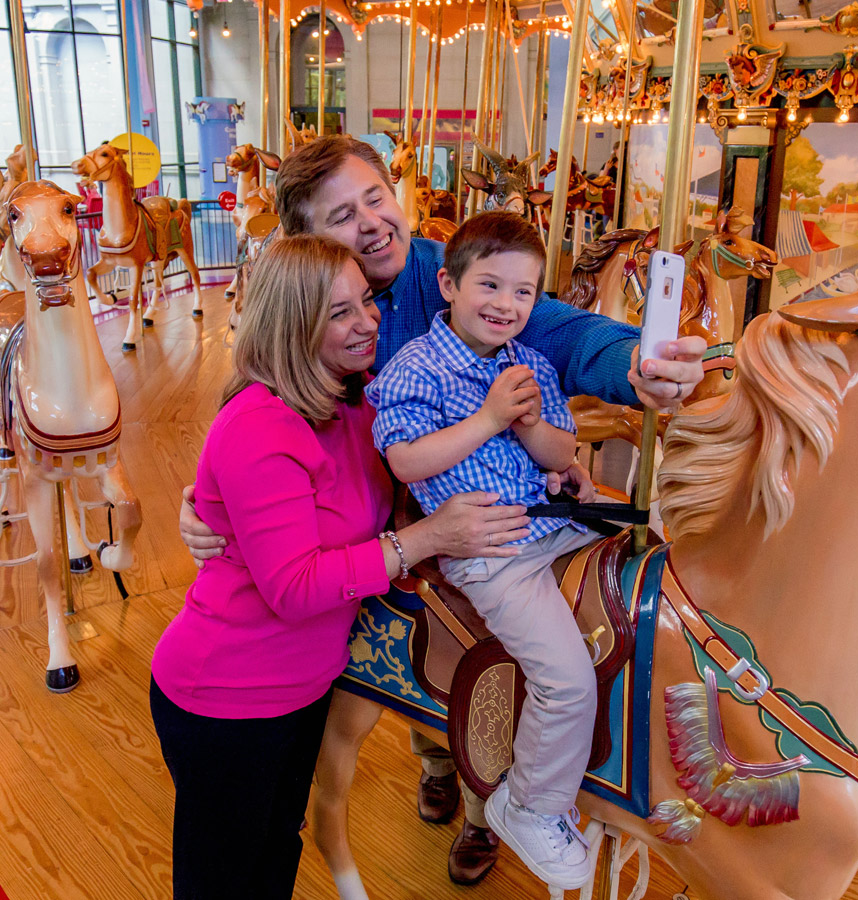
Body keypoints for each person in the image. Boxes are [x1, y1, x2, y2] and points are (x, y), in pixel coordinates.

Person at [178, 135, 705, 884]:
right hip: (383, 554)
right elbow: (259, 420)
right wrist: (206, 502)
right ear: (308, 251)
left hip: (458, 523)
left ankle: (512, 790)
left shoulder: (451, 270)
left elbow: (559, 327)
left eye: (374, 199)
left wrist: (634, 365)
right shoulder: (306, 356)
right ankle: (458, 770)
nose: (369, 224)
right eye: (340, 218)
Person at [151, 234, 531, 899]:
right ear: (293, 325)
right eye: (339, 312)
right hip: (229, 694)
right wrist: (425, 539)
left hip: (303, 687)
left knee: (276, 850)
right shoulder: (260, 428)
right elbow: (296, 587)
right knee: (224, 879)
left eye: (367, 300)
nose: (369, 321)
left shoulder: (358, 403)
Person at [368, 210, 600, 889]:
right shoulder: (417, 367)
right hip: (492, 552)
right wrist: (489, 418)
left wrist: (530, 425)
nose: (506, 305)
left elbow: (563, 449)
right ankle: (529, 805)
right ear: (448, 284)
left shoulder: (529, 363)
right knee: (564, 678)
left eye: (523, 293)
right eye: (490, 286)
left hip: (551, 524)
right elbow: (407, 459)